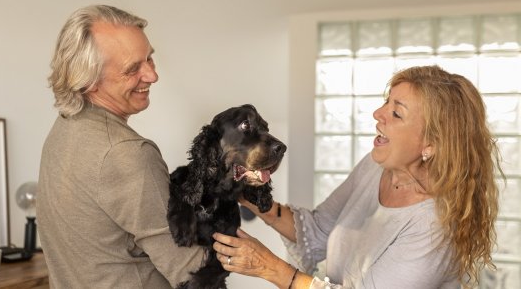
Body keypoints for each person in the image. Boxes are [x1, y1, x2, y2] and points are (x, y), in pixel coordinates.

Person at [213, 65, 504, 288]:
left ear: (431, 144)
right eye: (386, 102)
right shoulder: (375, 167)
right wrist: (242, 190)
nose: (378, 113)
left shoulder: (435, 225)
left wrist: (270, 268)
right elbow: (316, 230)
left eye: (397, 113)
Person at [36, 5, 205, 288]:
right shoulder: (126, 152)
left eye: (150, 58)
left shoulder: (63, 128)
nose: (152, 75)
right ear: (88, 81)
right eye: (133, 69)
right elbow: (191, 271)